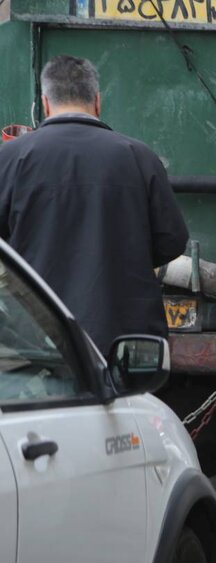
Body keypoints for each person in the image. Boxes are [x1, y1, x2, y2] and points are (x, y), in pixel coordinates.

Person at [0, 55, 188, 357]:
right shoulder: (139, 157)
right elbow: (172, 241)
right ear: (97, 101)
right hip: (122, 338)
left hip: (37, 340)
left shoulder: (10, 159)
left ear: (45, 103)